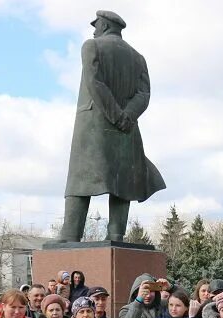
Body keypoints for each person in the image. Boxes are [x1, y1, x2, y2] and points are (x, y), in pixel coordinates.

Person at [59, 10, 165, 242]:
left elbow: (94, 83)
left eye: (96, 26)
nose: (94, 31)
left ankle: (70, 234)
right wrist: (127, 116)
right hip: (128, 127)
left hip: (95, 125)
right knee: (123, 180)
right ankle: (116, 233)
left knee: (80, 179)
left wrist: (116, 116)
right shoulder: (138, 58)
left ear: (105, 26)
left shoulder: (92, 46)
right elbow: (144, 94)